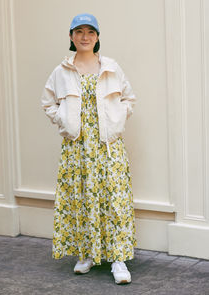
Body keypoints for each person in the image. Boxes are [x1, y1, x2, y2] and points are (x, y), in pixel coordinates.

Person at [41, 13, 137, 285]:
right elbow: (48, 103)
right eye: (79, 31)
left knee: (114, 201)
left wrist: (118, 118)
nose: (85, 37)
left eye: (90, 32)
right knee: (81, 199)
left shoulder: (111, 67)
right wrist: (62, 121)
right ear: (71, 36)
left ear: (97, 37)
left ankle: (118, 258)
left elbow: (129, 98)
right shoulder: (61, 72)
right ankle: (87, 254)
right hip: (77, 148)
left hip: (109, 146)